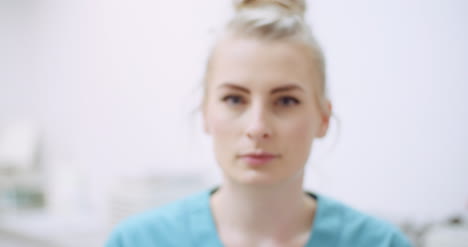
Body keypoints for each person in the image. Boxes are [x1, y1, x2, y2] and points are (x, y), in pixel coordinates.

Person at [105, 0, 413, 246]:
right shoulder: (136, 241)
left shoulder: (382, 243)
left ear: (323, 118)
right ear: (205, 114)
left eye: (286, 101)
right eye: (234, 99)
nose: (257, 127)